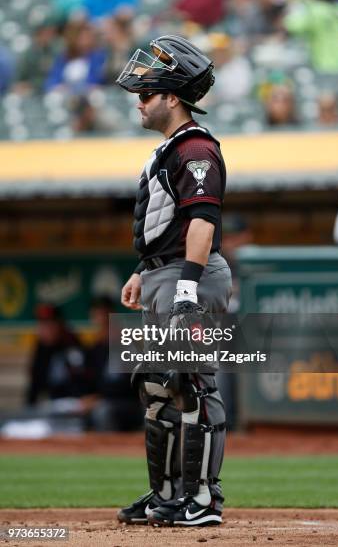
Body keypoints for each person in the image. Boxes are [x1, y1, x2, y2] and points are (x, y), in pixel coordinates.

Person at [116, 35, 232, 526]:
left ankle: (202, 501)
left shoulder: (198, 148)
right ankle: (165, 495)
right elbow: (168, 225)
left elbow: (202, 221)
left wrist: (184, 288)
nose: (140, 102)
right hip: (165, 273)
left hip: (193, 278)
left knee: (193, 385)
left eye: (148, 94)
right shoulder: (170, 150)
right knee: (158, 389)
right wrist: (144, 271)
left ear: (173, 97)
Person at [83, 296, 143, 431]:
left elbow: (133, 385)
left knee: (102, 411)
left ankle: (111, 451)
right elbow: (89, 382)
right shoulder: (95, 349)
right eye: (97, 315)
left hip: (129, 404)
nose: (101, 319)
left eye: (104, 315)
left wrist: (100, 397)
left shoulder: (128, 343)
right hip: (102, 402)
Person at [26, 304, 88, 406]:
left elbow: (81, 384)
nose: (44, 329)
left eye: (49, 324)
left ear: (59, 324)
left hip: (74, 404)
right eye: (41, 324)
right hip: (51, 404)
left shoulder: (72, 344)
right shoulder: (41, 347)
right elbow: (35, 384)